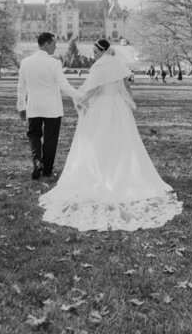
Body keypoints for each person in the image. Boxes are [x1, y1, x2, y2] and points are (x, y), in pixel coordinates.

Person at [39, 39, 182, 231]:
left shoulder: (100, 66)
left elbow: (95, 88)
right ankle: (118, 175)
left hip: (102, 106)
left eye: (96, 51)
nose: (94, 54)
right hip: (119, 107)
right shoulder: (119, 65)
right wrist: (130, 103)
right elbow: (127, 87)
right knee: (122, 142)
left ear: (103, 50)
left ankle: (103, 176)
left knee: (99, 141)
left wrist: (81, 99)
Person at [17, 32, 80, 180]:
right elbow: (63, 85)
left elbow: (21, 87)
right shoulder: (54, 63)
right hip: (52, 108)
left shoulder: (26, 62)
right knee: (51, 139)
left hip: (34, 107)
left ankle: (37, 161)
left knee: (34, 135)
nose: (56, 46)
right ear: (46, 44)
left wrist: (21, 106)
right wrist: (80, 96)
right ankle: (47, 170)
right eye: (54, 43)